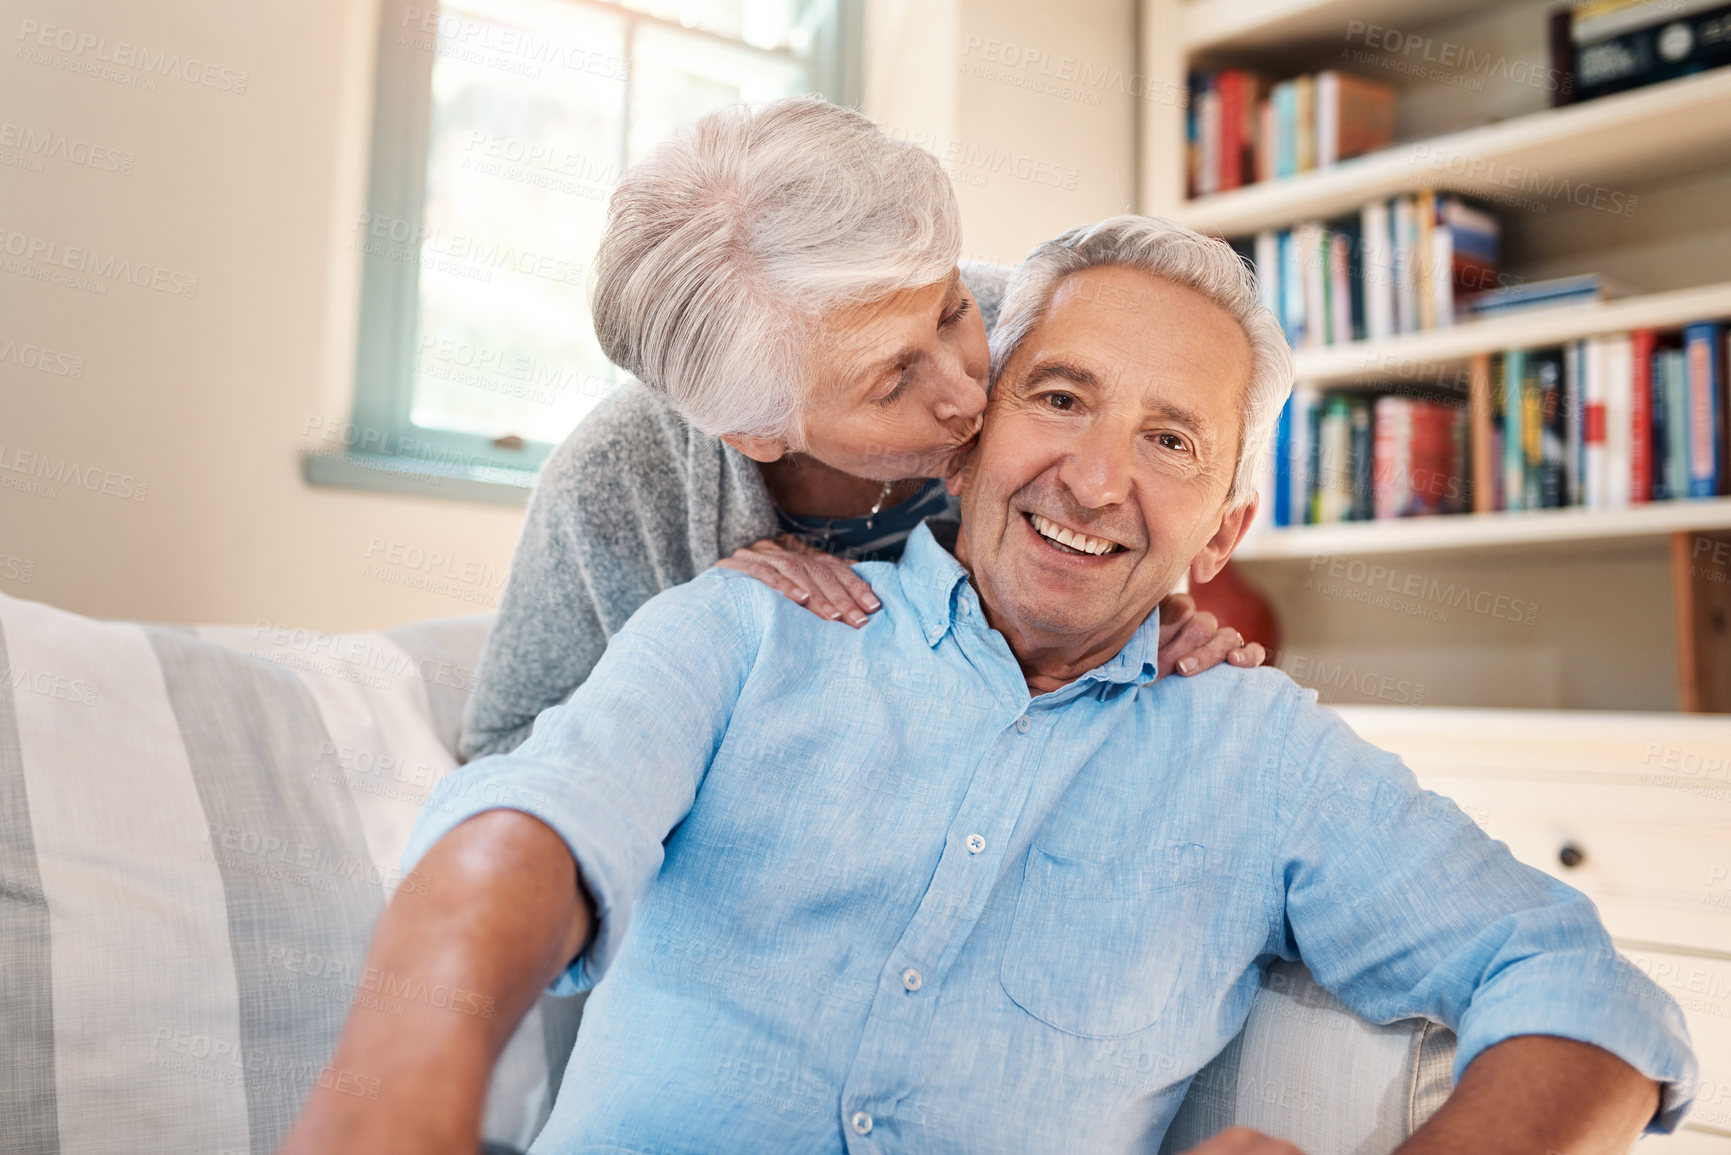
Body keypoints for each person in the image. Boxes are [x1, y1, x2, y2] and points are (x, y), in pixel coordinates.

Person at [282, 216, 1696, 1155]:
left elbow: (1579, 986)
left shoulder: (1265, 756)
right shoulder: (747, 628)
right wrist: (406, 1070)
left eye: (1168, 440)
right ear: (959, 441)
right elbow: (531, 819)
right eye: (1063, 398)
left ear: (1222, 531)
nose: (1093, 478)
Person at [458, 96, 1260, 763]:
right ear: (756, 432)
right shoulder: (617, 480)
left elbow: (1173, 491)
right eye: (892, 383)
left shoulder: (1030, 329)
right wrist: (708, 636)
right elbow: (500, 750)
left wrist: (1144, 617)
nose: (967, 394)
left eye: (948, 312)